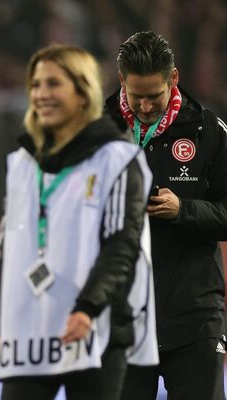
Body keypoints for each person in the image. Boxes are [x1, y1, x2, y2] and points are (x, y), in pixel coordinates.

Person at [0, 44, 156, 400]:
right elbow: (12, 252)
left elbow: (121, 245)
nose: (41, 94)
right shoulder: (22, 164)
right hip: (32, 332)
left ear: (83, 93)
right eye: (35, 85)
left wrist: (87, 308)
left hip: (95, 328)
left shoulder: (117, 159)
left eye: (53, 84)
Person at [105, 31, 227, 400]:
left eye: (153, 96)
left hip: (193, 317)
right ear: (121, 80)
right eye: (135, 95)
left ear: (173, 79)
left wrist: (183, 210)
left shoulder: (207, 131)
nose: (143, 106)